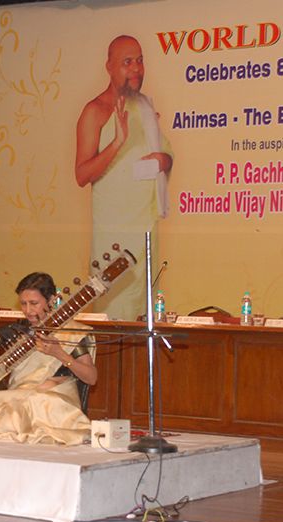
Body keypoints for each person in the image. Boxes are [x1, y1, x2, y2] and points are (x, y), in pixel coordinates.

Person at [75, 35, 172, 320]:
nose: (136, 69)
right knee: (114, 315)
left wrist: (162, 159)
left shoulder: (144, 107)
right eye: (127, 62)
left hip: (145, 232)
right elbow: (82, 174)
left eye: (140, 61)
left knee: (145, 318)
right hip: (114, 238)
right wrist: (117, 142)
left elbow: (166, 156)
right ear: (109, 67)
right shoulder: (95, 111)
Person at [0, 272, 95, 445]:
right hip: (20, 397)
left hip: (52, 401)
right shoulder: (16, 331)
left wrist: (59, 353)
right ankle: (23, 427)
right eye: (23, 304)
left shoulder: (71, 333)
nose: (28, 310)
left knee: (37, 401)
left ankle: (20, 427)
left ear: (51, 300)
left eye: (34, 303)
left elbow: (91, 377)